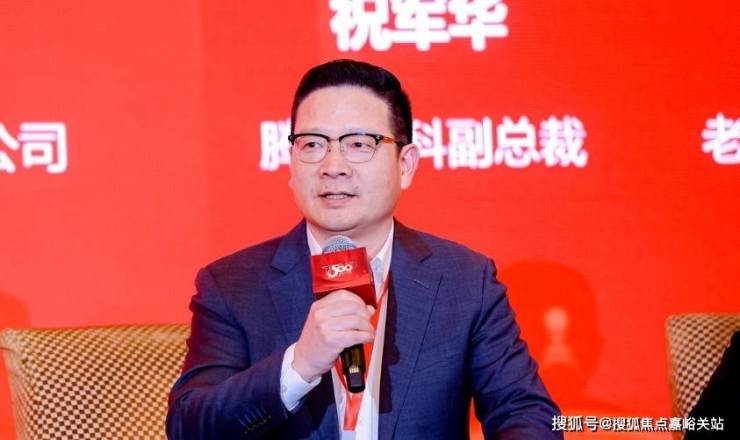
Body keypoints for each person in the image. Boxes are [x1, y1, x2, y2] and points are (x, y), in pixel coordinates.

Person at [166, 59, 561, 439]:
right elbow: (189, 427)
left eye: (359, 144)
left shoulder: (466, 281)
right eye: (312, 144)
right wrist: (298, 366)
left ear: (406, 165)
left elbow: (526, 413)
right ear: (291, 162)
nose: (333, 165)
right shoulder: (232, 286)